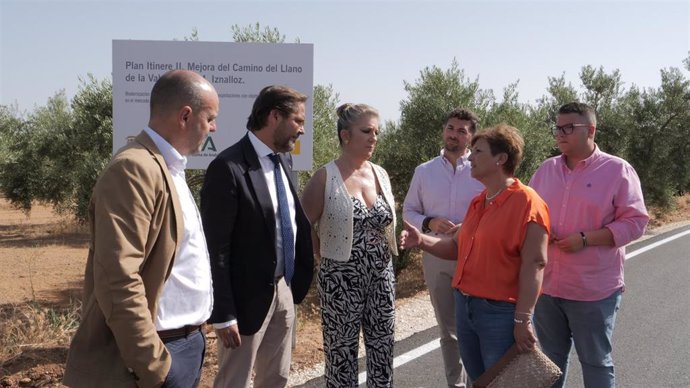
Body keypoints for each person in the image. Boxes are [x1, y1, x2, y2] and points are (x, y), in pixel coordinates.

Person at [63, 70, 218, 388]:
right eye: (210, 118)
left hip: (185, 344)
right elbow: (118, 279)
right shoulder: (134, 169)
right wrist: (153, 367)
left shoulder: (169, 167)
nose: (214, 127)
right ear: (185, 116)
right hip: (155, 355)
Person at [400, 124, 550, 382]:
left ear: (500, 159)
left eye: (478, 151)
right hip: (466, 305)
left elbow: (535, 263)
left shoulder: (528, 202)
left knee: (502, 383)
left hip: (499, 311)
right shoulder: (480, 201)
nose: (470, 157)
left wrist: (523, 319)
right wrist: (420, 240)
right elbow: (456, 247)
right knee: (479, 381)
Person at [200, 85, 314, 388]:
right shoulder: (228, 167)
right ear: (274, 116)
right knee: (233, 381)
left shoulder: (284, 160)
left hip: (283, 289)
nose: (302, 130)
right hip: (244, 299)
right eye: (298, 121)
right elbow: (216, 248)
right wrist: (222, 313)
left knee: (276, 378)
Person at [529, 102, 649, 388]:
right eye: (558, 127)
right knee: (550, 360)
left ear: (591, 130)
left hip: (593, 290)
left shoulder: (618, 170)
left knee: (595, 362)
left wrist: (585, 239)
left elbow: (635, 222)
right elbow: (529, 213)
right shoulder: (546, 170)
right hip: (547, 286)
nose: (560, 133)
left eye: (568, 127)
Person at [301, 103, 398, 387]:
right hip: (341, 279)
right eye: (366, 131)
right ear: (346, 135)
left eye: (376, 132)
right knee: (341, 355)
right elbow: (303, 222)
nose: (374, 138)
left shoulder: (380, 174)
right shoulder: (325, 176)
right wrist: (320, 254)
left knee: (383, 352)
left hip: (381, 277)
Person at [402, 107, 483, 387]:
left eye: (462, 130)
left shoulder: (481, 171)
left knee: (476, 328)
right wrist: (430, 222)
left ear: (471, 137)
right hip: (436, 256)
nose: (454, 134)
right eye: (451, 128)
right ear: (443, 131)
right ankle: (455, 385)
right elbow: (408, 210)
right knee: (449, 331)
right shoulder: (424, 172)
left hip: (475, 257)